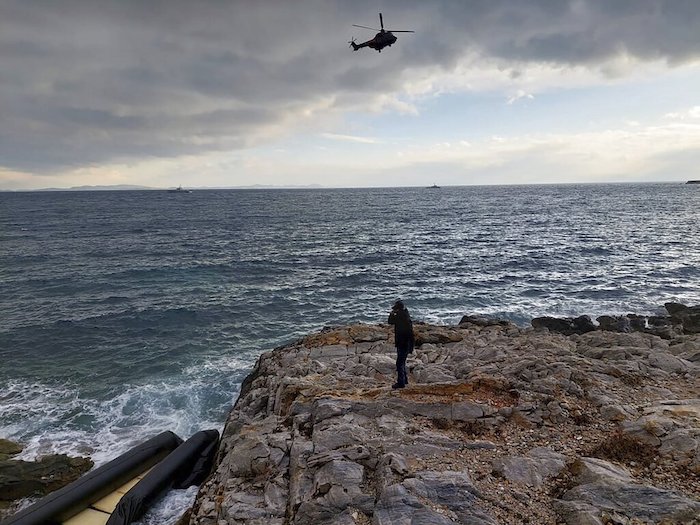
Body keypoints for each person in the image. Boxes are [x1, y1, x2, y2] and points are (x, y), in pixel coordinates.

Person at [388, 300, 414, 389]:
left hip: (403, 343)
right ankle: (405, 380)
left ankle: (401, 383)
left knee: (399, 363)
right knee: (402, 363)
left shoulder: (400, 318)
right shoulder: (405, 316)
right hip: (405, 343)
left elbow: (390, 322)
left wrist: (392, 314)